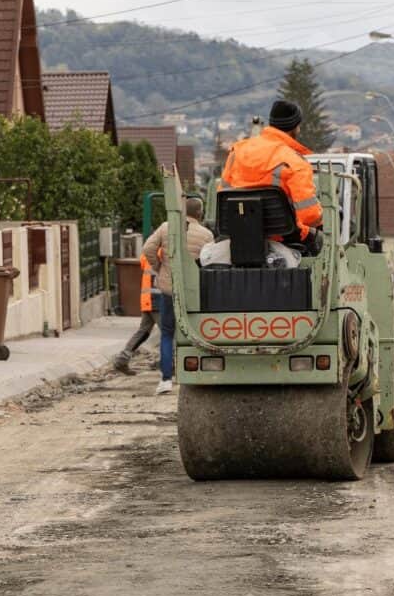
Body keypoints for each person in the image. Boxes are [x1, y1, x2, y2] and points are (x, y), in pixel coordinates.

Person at [220, 100, 323, 242]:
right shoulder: (295, 162)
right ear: (296, 127)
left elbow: (223, 194)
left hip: (240, 233)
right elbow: (309, 215)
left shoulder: (237, 151)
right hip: (283, 238)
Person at [143, 196, 213, 395]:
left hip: (168, 289)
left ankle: (166, 379)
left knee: (167, 333)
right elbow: (210, 261)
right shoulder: (206, 235)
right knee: (194, 332)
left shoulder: (166, 227)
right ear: (200, 213)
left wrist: (159, 268)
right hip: (193, 292)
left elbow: (148, 248)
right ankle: (195, 377)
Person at [112, 254, 160, 375]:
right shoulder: (163, 253)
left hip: (149, 300)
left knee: (143, 332)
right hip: (158, 300)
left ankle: (121, 360)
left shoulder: (150, 254)